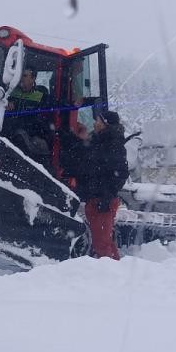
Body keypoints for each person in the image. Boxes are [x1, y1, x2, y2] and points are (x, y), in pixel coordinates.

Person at [61, 109, 129, 259]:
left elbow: (121, 174)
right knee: (104, 241)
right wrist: (71, 138)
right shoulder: (98, 141)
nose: (95, 123)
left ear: (105, 124)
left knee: (102, 244)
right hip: (93, 199)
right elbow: (83, 155)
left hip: (103, 201)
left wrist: (106, 196)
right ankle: (111, 268)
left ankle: (109, 273)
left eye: (98, 120)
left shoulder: (113, 145)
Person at [4, 67, 53, 160]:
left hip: (32, 135)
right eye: (21, 75)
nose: (22, 78)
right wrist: (6, 103)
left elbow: (44, 118)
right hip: (10, 134)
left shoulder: (41, 95)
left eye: (25, 75)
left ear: (33, 78)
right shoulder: (13, 93)